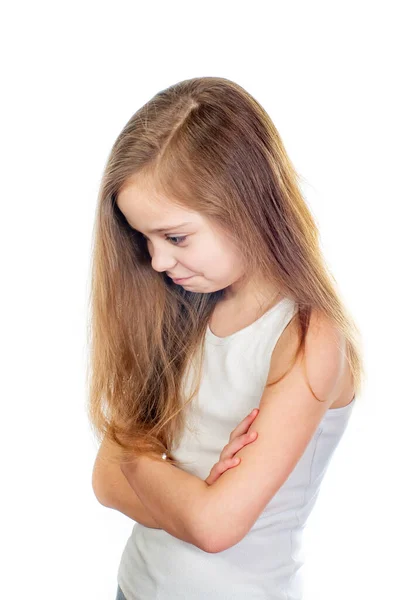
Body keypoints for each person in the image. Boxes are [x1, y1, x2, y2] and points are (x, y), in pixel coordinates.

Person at [89, 76, 364, 599]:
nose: (157, 261)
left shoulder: (308, 338)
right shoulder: (182, 310)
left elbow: (215, 527)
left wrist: (138, 457)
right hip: (133, 587)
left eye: (175, 237)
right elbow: (104, 481)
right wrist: (189, 493)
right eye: (143, 238)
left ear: (245, 206)